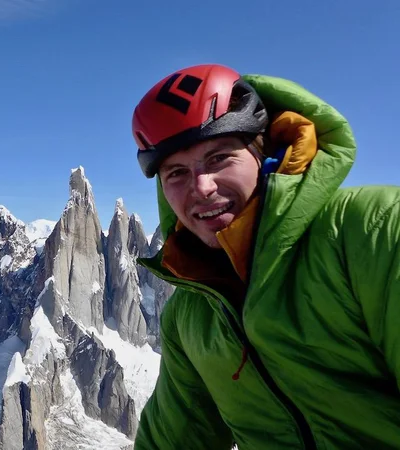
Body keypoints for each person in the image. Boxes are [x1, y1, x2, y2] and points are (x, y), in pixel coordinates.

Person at [130, 63, 400, 449]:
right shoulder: (190, 317)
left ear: (264, 152)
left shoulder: (373, 231)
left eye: (219, 157)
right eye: (176, 173)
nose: (202, 187)